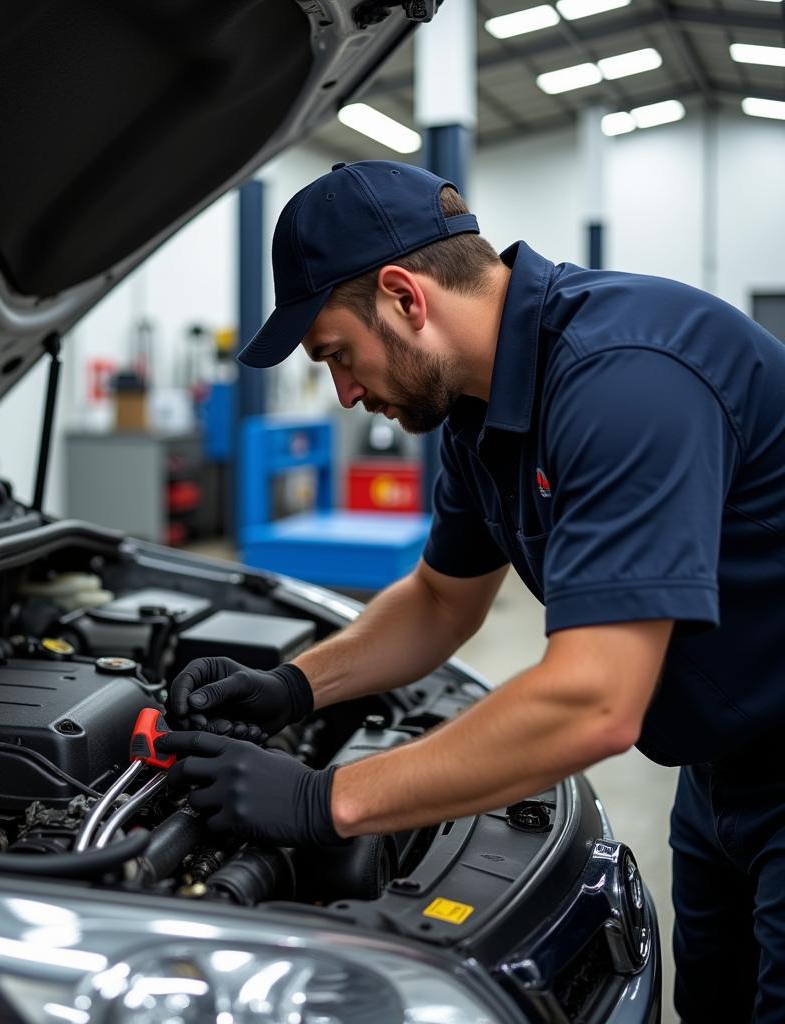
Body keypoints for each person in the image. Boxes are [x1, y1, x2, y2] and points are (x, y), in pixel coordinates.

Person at [155, 160, 785, 1020]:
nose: (341, 393)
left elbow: (594, 703)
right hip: (721, 772)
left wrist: (324, 799)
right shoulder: (480, 412)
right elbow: (441, 599)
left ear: (405, 296)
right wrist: (294, 685)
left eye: (338, 354)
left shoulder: (623, 379)